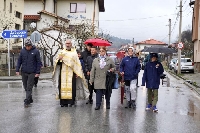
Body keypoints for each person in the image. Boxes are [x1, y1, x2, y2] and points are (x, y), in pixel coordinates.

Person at [52, 40, 89, 107]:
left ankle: (71, 102)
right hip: (63, 73)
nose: (67, 45)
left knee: (72, 88)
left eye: (69, 43)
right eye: (66, 43)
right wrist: (59, 59)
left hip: (71, 73)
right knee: (62, 88)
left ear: (71, 44)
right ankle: (63, 103)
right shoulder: (62, 52)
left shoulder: (74, 53)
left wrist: (77, 72)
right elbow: (57, 63)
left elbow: (76, 64)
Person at [16, 39, 41, 107]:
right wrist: (17, 69)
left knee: (29, 87)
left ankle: (27, 100)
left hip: (32, 72)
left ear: (31, 45)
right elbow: (19, 61)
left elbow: (39, 62)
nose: (27, 47)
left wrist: (38, 72)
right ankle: (30, 98)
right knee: (25, 87)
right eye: (26, 46)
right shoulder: (23, 51)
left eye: (28, 46)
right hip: (24, 72)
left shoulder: (36, 51)